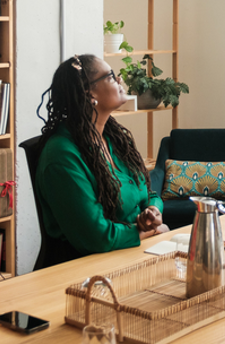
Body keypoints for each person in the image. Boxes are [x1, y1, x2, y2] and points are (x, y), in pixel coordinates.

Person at [33, 54, 167, 268]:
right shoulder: (61, 155)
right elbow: (96, 236)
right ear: (89, 92)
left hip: (131, 255)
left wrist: (153, 211)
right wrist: (149, 230)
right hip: (84, 271)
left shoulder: (114, 139)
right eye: (112, 76)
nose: (120, 81)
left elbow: (149, 193)